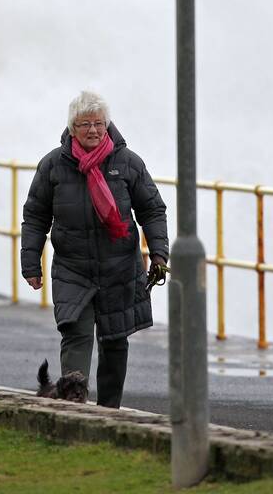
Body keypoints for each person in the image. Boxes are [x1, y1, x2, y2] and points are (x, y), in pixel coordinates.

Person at [20, 91, 169, 408]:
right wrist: (30, 263)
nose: (93, 130)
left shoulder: (127, 163)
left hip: (120, 267)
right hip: (73, 269)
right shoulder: (53, 166)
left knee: (115, 340)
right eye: (85, 124)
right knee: (76, 332)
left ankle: (110, 411)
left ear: (108, 125)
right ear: (72, 127)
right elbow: (34, 217)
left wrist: (159, 253)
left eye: (99, 124)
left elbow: (152, 210)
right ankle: (73, 403)